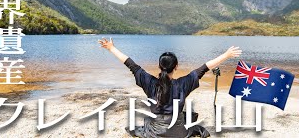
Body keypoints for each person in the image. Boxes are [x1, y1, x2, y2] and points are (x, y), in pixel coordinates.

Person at [98, 37, 242, 138]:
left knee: (147, 122)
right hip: (178, 133)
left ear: (159, 66)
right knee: (188, 116)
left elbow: (131, 64)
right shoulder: (184, 83)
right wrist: (227, 55)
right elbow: (205, 67)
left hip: (156, 133)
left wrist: (111, 48)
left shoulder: (149, 82)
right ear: (177, 66)